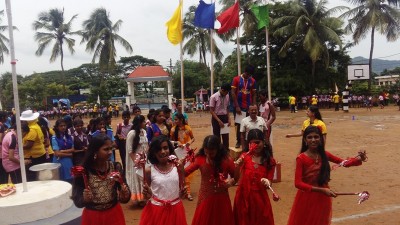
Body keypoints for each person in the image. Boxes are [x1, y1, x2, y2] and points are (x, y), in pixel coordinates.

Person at [287, 126, 367, 225]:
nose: (313, 140)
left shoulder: (325, 155)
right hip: (307, 198)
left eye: (316, 137)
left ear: (321, 139)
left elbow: (344, 163)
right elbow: (298, 183)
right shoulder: (301, 158)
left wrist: (360, 159)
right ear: (305, 140)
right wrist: (321, 190)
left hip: (323, 198)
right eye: (310, 137)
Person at [71, 134, 131, 225]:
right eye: (106, 149)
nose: (110, 152)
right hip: (93, 217)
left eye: (111, 148)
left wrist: (125, 194)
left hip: (114, 215)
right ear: (95, 151)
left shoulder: (115, 167)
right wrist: (84, 199)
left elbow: (125, 196)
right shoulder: (84, 171)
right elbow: (77, 200)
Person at [185, 135, 237, 225]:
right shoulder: (200, 159)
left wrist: (231, 182)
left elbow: (235, 177)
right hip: (205, 199)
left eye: (212, 153)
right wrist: (180, 166)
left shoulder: (227, 160)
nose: (208, 155)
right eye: (206, 152)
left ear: (218, 149)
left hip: (222, 199)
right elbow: (186, 172)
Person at [139, 135, 187, 225]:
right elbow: (146, 196)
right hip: (155, 212)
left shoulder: (178, 166)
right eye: (158, 149)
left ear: (170, 149)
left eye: (165, 148)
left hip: (176, 211)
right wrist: (147, 194)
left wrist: (182, 193)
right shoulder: (149, 170)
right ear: (153, 153)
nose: (163, 152)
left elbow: (182, 190)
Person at [233, 129, 276, 225]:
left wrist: (267, 182)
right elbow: (236, 178)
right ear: (249, 144)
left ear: (263, 142)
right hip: (243, 197)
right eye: (252, 143)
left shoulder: (270, 161)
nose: (255, 145)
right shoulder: (244, 157)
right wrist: (237, 166)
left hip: (259, 199)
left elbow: (270, 182)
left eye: (258, 142)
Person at [170, 113, 195, 201]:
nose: (175, 121)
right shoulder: (173, 129)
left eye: (176, 119)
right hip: (177, 153)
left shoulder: (187, 128)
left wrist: (189, 143)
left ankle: (187, 192)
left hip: (186, 152)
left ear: (181, 120)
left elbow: (193, 138)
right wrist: (177, 143)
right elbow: (170, 140)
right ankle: (180, 191)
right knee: (178, 172)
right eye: (174, 119)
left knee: (186, 172)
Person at [231, 65, 257, 148]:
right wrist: (237, 106)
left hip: (248, 107)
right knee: (239, 124)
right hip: (239, 106)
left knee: (249, 124)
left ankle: (248, 141)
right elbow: (233, 93)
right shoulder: (236, 79)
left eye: (250, 75)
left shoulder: (252, 81)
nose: (248, 76)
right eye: (248, 74)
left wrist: (254, 106)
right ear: (245, 72)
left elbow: (254, 94)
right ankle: (238, 141)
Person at [125, 115, 148, 206]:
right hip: (135, 161)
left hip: (144, 159)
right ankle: (139, 199)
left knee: (144, 178)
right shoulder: (132, 133)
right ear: (139, 123)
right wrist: (136, 162)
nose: (145, 123)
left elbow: (146, 145)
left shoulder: (144, 132)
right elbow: (130, 150)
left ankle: (144, 197)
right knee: (137, 178)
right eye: (143, 122)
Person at [20, 110, 47, 181]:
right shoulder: (35, 126)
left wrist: (18, 147)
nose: (22, 122)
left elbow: (29, 145)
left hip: (34, 157)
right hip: (38, 154)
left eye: (23, 121)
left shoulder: (32, 129)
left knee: (33, 177)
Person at [1, 118, 30, 184]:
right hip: (12, 165)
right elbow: (11, 157)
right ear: (22, 131)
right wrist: (22, 162)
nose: (24, 136)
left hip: (11, 163)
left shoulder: (11, 133)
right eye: (25, 134)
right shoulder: (13, 138)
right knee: (18, 183)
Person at [209, 83, 231, 150]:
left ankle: (226, 153)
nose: (227, 93)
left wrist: (229, 118)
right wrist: (219, 121)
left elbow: (227, 108)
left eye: (228, 92)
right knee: (217, 137)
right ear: (222, 90)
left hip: (224, 117)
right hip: (216, 118)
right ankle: (218, 153)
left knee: (226, 137)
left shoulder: (227, 96)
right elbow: (211, 111)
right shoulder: (213, 97)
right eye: (226, 92)